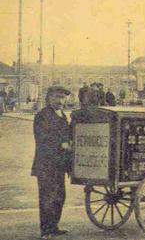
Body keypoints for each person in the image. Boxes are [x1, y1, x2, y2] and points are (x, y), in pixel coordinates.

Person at [31, 86, 72, 239]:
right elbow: (41, 138)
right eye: (56, 97)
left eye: (62, 97)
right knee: (47, 197)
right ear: (49, 98)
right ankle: (46, 230)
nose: (60, 101)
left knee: (60, 196)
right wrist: (61, 144)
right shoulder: (42, 115)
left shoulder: (63, 116)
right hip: (46, 164)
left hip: (59, 165)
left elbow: (67, 135)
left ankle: (54, 227)